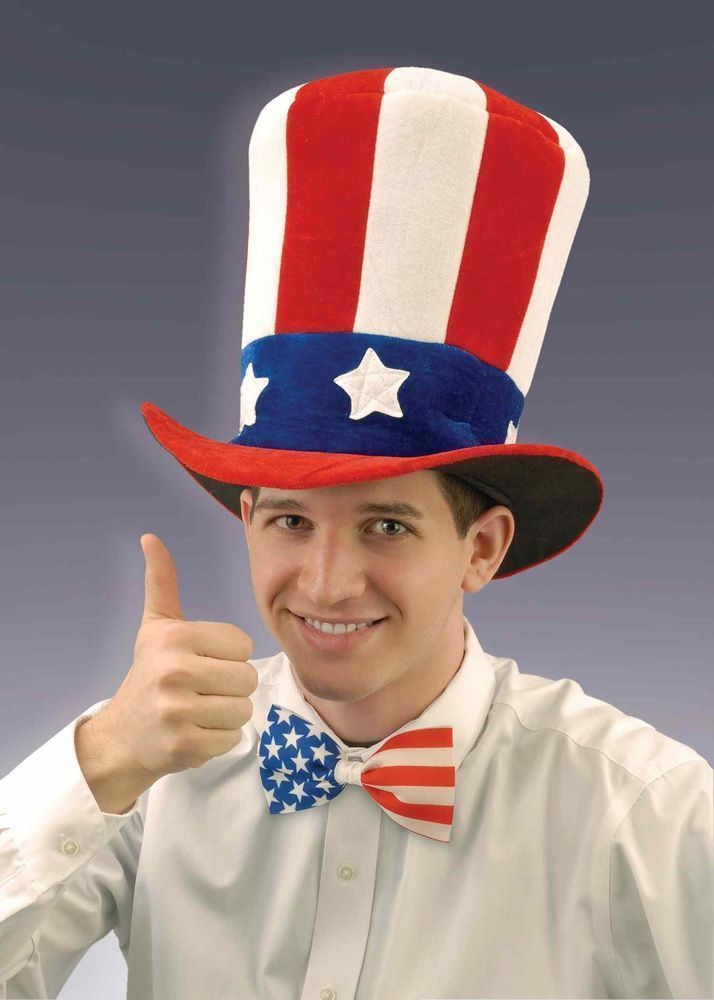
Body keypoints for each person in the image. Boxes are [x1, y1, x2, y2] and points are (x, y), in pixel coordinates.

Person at [1, 66, 711, 1000]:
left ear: (482, 548)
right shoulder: (152, 765)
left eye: (386, 525)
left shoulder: (651, 812)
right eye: (291, 520)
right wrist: (101, 760)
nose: (327, 583)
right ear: (246, 520)